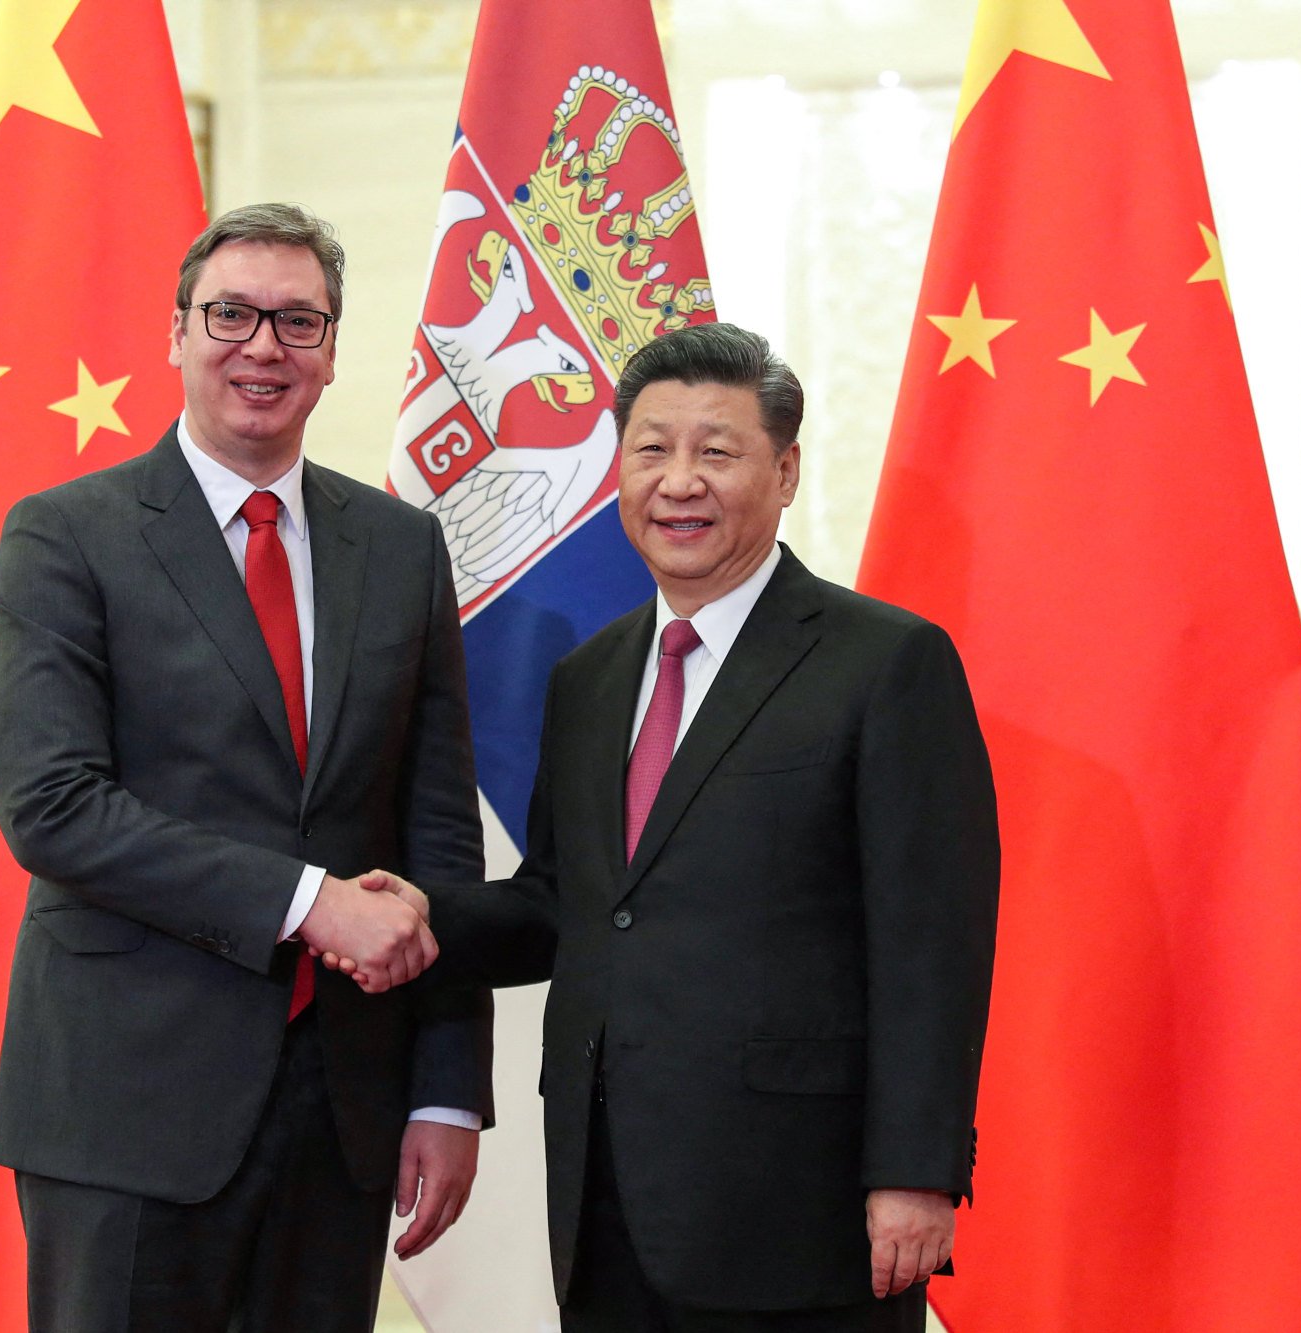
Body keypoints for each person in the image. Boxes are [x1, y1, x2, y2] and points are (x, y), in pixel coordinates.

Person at [358, 323, 1000, 1332]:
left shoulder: (885, 664)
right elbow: (562, 908)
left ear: (784, 471)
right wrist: (412, 914)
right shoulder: (591, 678)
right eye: (651, 449)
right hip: (604, 1196)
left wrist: (916, 1176)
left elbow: (932, 946)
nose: (679, 481)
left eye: (717, 450)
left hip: (801, 1210)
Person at [0, 202, 491, 1333]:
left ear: (330, 353)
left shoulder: (398, 547)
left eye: (297, 321)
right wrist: (310, 904)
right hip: (126, 1105)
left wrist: (449, 1088)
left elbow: (437, 833)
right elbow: (51, 805)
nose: (263, 346)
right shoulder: (67, 535)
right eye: (231, 314)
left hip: (344, 1110)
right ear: (175, 333)